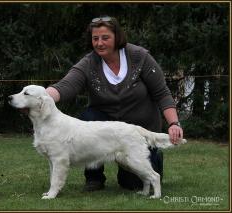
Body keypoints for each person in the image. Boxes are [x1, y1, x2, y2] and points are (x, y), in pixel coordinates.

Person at [45, 16, 184, 191]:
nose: (99, 43)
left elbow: (162, 93)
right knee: (88, 118)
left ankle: (152, 153)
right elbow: (65, 86)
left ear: (117, 37)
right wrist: (40, 97)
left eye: (105, 38)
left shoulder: (139, 57)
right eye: (95, 38)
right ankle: (94, 179)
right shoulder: (89, 63)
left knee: (134, 184)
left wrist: (174, 123)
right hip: (105, 129)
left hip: (140, 129)